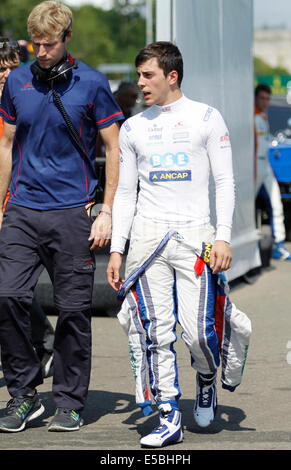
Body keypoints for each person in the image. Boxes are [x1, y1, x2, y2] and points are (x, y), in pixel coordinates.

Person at [107, 41, 251, 448]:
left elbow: (225, 182)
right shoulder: (134, 127)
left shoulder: (206, 117)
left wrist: (222, 236)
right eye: (138, 75)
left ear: (171, 76)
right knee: (155, 331)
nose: (140, 83)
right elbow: (126, 194)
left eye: (147, 75)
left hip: (196, 239)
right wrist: (118, 248)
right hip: (148, 240)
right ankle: (168, 413)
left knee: (199, 334)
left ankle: (206, 378)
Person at [0, 1, 123, 433]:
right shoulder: (17, 81)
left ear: (67, 38)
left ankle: (69, 401)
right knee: (7, 296)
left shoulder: (91, 82)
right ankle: (24, 396)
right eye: (35, 44)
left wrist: (107, 209)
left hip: (73, 212)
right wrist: (0, 205)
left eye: (48, 45)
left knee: (73, 310)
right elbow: (6, 145)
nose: (40, 52)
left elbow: (113, 147)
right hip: (22, 209)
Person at [0, 37, 54, 380]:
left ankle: (44, 341)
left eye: (10, 67)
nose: (4, 74)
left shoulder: (27, 100)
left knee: (9, 286)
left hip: (19, 203)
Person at [254, 83, 291, 260]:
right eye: (262, 98)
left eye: (267, 98)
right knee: (248, 207)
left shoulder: (263, 117)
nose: (265, 102)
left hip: (265, 166)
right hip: (253, 166)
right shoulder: (251, 117)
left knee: (276, 205)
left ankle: (280, 246)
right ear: (255, 98)